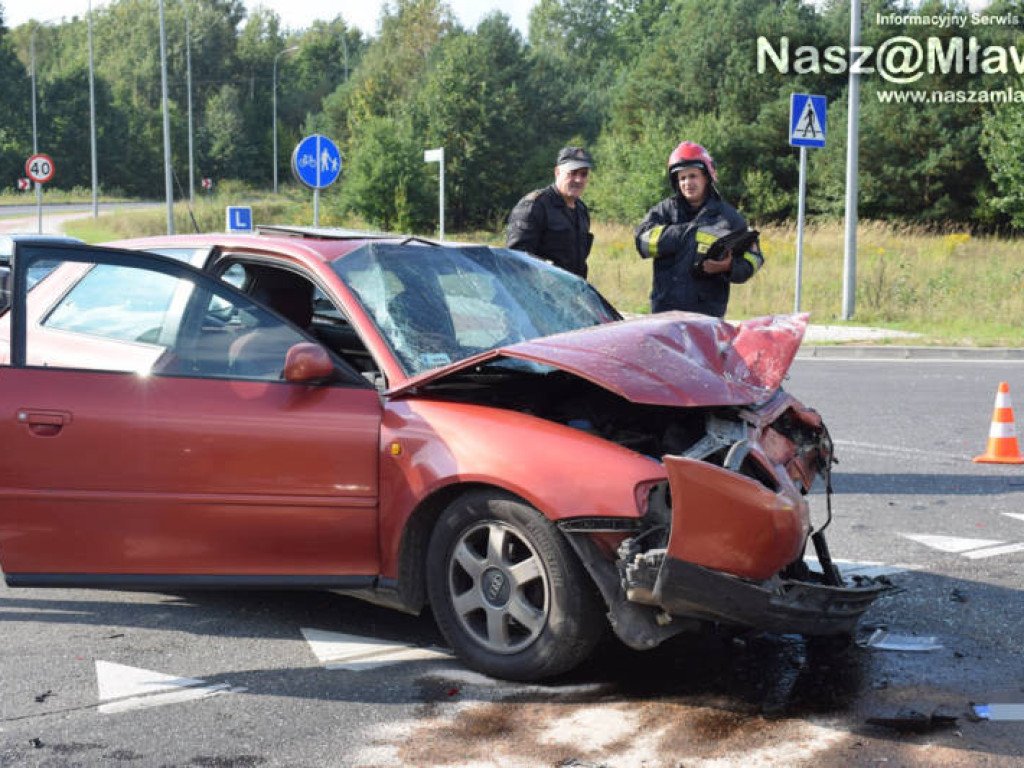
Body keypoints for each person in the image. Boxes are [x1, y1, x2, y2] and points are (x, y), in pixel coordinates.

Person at [634, 141, 763, 317]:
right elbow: (642, 242)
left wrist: (729, 266)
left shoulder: (728, 218)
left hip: (707, 317)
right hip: (665, 314)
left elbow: (755, 259)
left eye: (693, 176)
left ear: (706, 177)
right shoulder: (664, 211)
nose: (687, 183)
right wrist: (687, 234)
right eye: (682, 178)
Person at [506, 146, 595, 278]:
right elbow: (516, 261)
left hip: (572, 288)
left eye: (584, 174)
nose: (578, 180)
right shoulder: (534, 206)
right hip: (539, 289)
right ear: (557, 172)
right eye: (572, 173)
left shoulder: (581, 210)